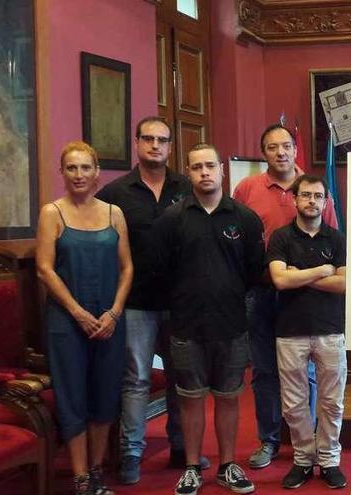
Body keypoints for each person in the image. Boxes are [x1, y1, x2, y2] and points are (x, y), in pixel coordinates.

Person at [96, 116, 208, 484]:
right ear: (137, 144)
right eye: (148, 139)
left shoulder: (187, 187)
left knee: (182, 377)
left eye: (162, 140)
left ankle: (181, 448)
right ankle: (131, 454)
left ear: (171, 147)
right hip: (136, 302)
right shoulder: (115, 193)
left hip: (180, 302)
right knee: (137, 379)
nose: (155, 146)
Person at [154, 143, 264, 495]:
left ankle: (228, 465)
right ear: (188, 172)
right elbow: (162, 272)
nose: (204, 172)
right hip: (187, 326)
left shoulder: (244, 218)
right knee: (190, 398)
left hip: (231, 324)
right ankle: (191, 467)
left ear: (222, 170)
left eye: (210, 166)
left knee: (230, 396)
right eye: (196, 166)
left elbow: (253, 272)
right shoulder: (172, 219)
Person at [233, 124, 338, 469]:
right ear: (263, 153)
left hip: (310, 297)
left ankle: (304, 446)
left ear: (296, 149)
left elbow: (333, 241)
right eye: (272, 147)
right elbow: (237, 241)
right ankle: (269, 440)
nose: (281, 152)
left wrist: (312, 277)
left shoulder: (314, 188)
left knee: (309, 372)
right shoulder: (247, 189)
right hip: (263, 291)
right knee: (264, 370)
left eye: (287, 146)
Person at [35, 141, 133, 495]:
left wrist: (115, 312)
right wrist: (78, 312)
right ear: (62, 173)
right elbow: (45, 270)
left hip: (109, 321)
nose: (79, 175)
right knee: (72, 395)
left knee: (106, 394)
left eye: (85, 168)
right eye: (71, 168)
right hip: (66, 324)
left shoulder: (114, 213)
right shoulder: (52, 213)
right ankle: (79, 478)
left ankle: (95, 472)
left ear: (97, 173)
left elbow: (127, 267)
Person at [267, 174, 348, 489]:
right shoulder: (281, 237)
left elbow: (344, 284)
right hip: (290, 330)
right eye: (306, 196)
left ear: (325, 202)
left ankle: (328, 459)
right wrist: (319, 272)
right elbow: (279, 281)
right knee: (294, 403)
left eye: (318, 196)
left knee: (332, 400)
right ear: (295, 199)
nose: (312, 201)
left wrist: (297, 274)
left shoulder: (336, 239)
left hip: (330, 330)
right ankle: (303, 459)